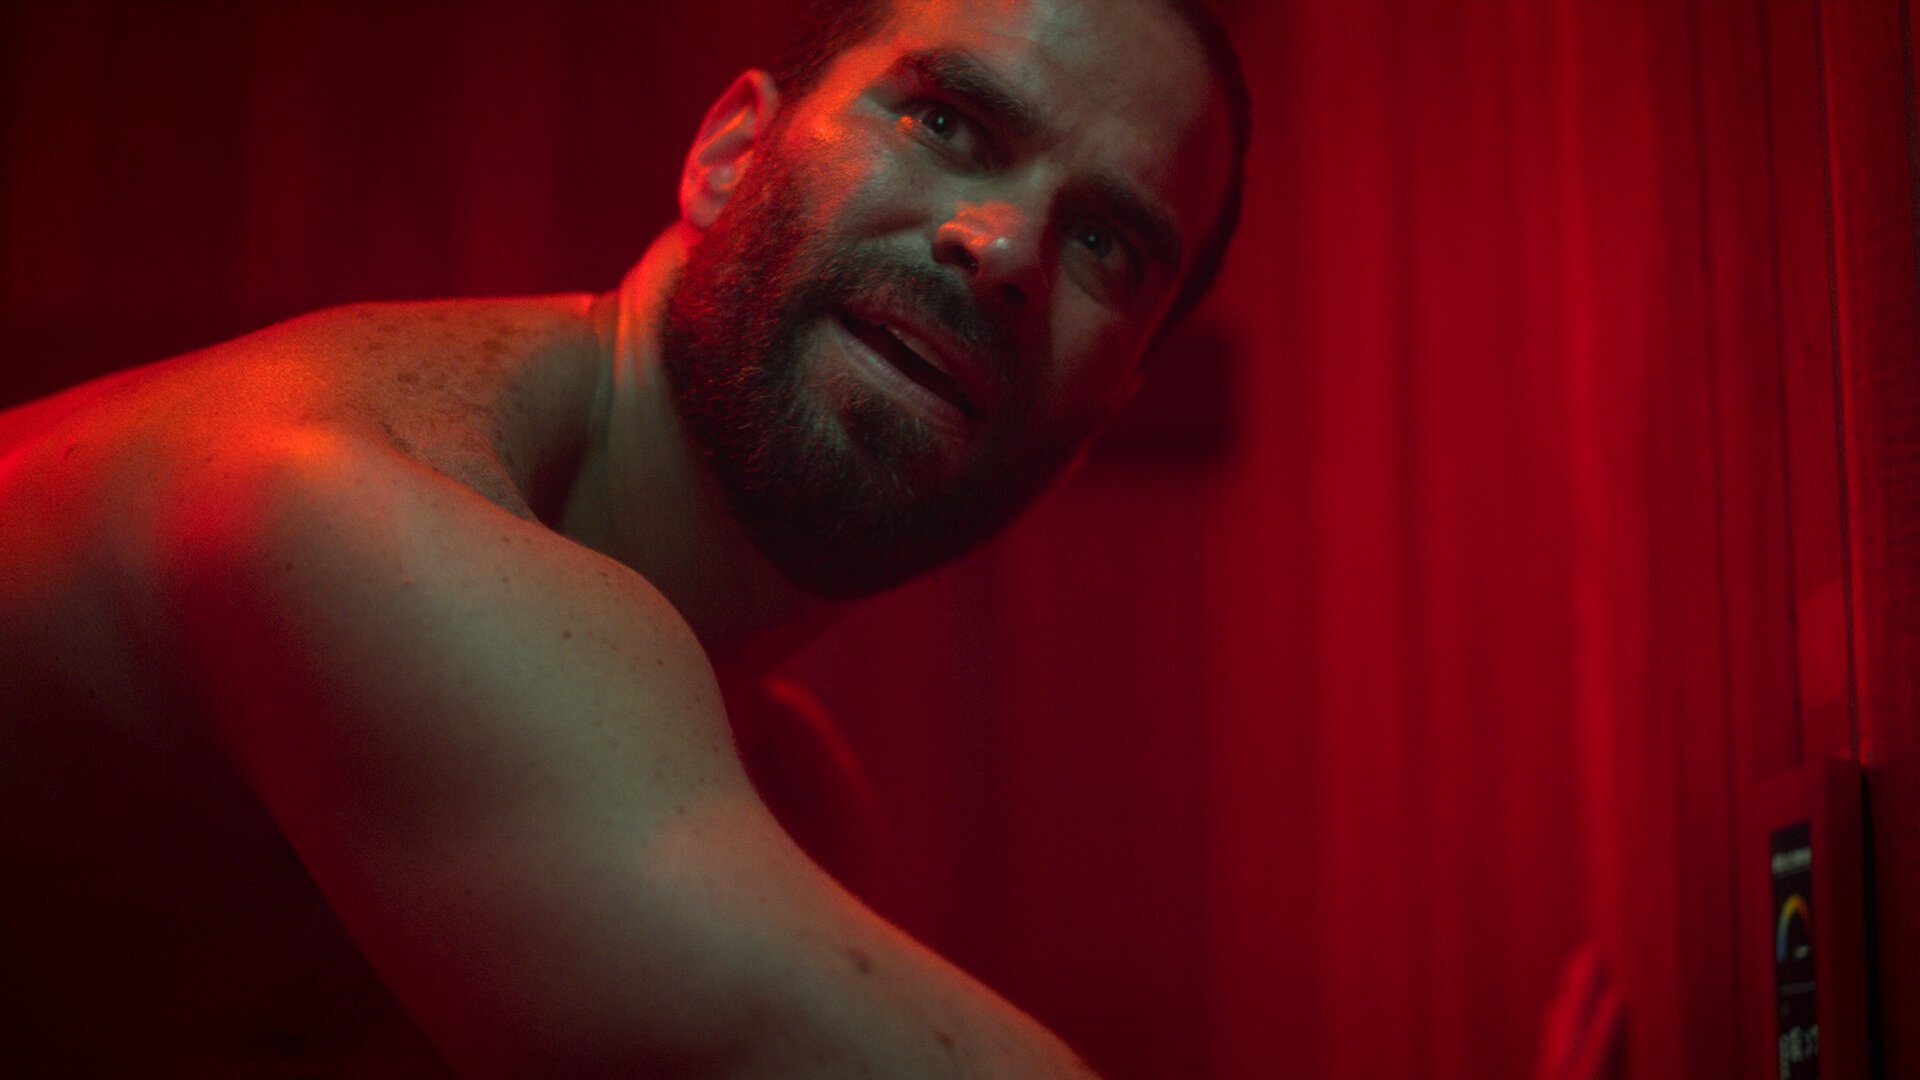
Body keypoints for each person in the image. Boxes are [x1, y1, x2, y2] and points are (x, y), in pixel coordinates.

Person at [0, 0, 1248, 1075]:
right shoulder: (355, 506)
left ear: (1097, 420)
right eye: (945, 123)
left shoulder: (789, 805)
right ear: (730, 155)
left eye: (1105, 245)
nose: (1009, 250)